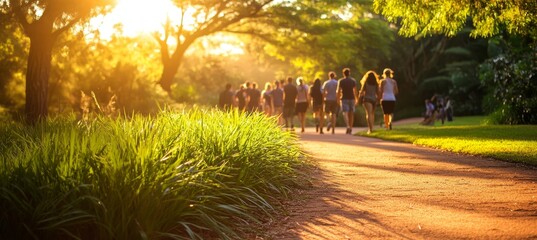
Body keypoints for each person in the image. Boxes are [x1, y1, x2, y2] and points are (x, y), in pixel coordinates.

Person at [337, 68, 358, 134]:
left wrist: (338, 99)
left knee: (345, 112)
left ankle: (348, 126)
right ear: (349, 73)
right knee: (351, 113)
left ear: (343, 73)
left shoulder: (341, 81)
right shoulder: (353, 81)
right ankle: (351, 127)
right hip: (352, 98)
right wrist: (356, 98)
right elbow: (355, 91)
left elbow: (338, 91)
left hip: (344, 98)